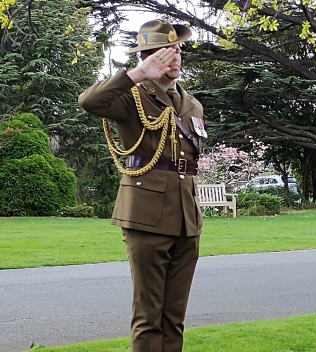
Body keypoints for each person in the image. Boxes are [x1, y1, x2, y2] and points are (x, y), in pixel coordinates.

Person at [79, 20, 205, 352]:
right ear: (148, 56)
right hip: (146, 216)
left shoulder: (192, 104)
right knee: (148, 318)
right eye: (166, 51)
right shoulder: (130, 95)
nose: (175, 57)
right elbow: (89, 102)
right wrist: (137, 74)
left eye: (177, 50)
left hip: (186, 218)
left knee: (174, 317)